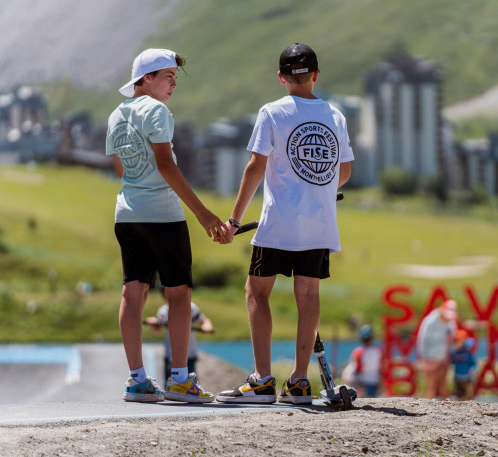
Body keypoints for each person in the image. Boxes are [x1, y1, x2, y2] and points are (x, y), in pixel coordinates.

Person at [215, 43, 353, 405]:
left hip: (278, 224)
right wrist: (318, 190)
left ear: (281, 78)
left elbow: (255, 168)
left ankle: (262, 381)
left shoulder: (272, 112)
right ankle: (299, 384)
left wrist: (234, 220)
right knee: (308, 297)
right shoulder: (335, 115)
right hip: (320, 225)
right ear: (316, 75)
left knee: (256, 291)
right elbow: (344, 171)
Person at [107, 48, 228, 403]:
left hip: (127, 214)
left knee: (133, 291)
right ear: (145, 79)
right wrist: (205, 214)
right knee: (178, 292)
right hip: (162, 214)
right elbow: (167, 166)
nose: (173, 84)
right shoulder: (157, 111)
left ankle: (136, 380)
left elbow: (120, 168)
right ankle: (179, 379)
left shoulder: (117, 114)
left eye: (175, 78)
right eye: (168, 77)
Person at [144, 285, 214, 383]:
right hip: (170, 355)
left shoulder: (191, 307)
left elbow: (204, 320)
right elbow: (157, 330)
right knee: (169, 382)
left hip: (190, 354)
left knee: (192, 381)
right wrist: (154, 324)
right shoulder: (163, 311)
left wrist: (207, 326)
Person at [416, 300, 458, 399]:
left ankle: (447, 407)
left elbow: (452, 338)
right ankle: (428, 406)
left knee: (443, 383)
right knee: (431, 384)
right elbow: (422, 339)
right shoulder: (430, 321)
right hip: (430, 358)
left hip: (443, 357)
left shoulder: (451, 322)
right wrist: (423, 357)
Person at [342, 325, 383, 398]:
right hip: (375, 380)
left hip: (363, 382)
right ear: (372, 337)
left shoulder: (358, 352)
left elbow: (358, 368)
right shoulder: (379, 350)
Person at [450, 329, 476, 401]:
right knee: (459, 393)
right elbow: (451, 361)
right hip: (457, 377)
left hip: (466, 377)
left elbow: (473, 363)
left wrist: (473, 369)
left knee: (468, 394)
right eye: (455, 342)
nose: (456, 343)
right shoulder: (455, 353)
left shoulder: (468, 353)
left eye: (458, 341)